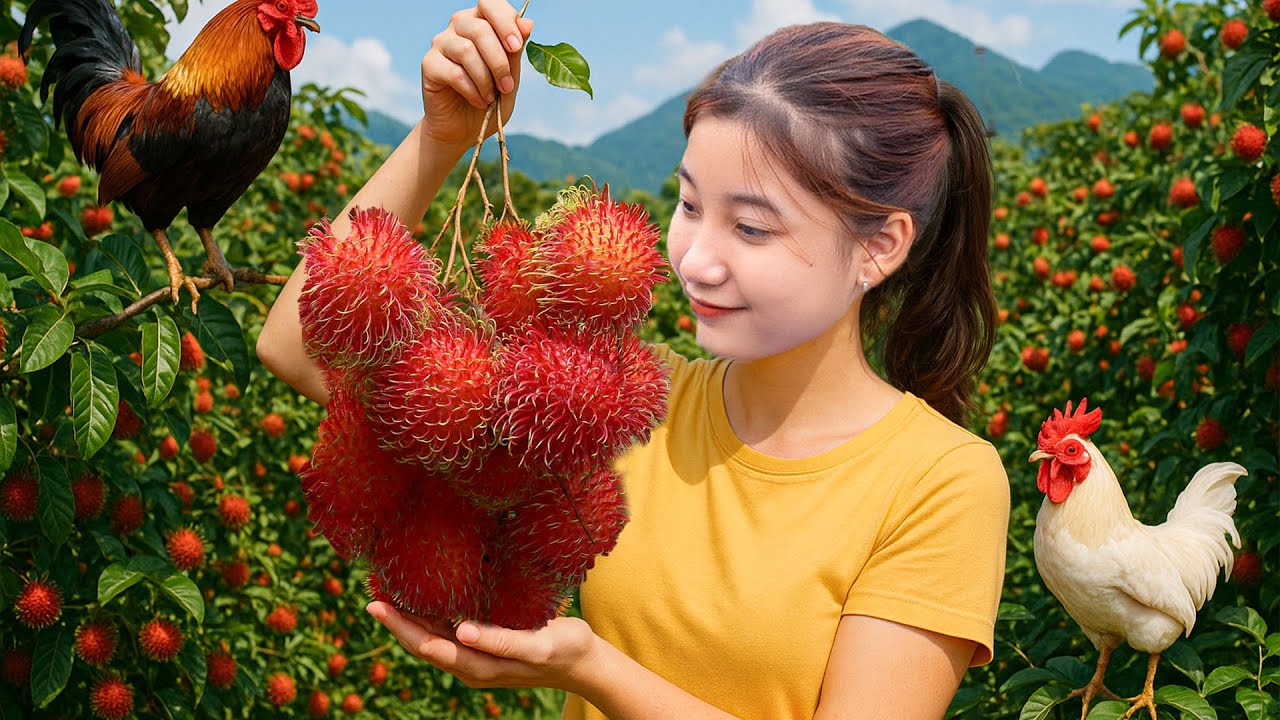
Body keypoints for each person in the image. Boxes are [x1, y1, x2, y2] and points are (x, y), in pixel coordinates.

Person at [257, 1, 1012, 717]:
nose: (697, 261)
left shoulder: (943, 483)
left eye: (750, 227)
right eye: (688, 206)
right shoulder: (626, 402)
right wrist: (442, 135)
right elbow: (292, 341)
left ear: (878, 247)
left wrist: (593, 671)